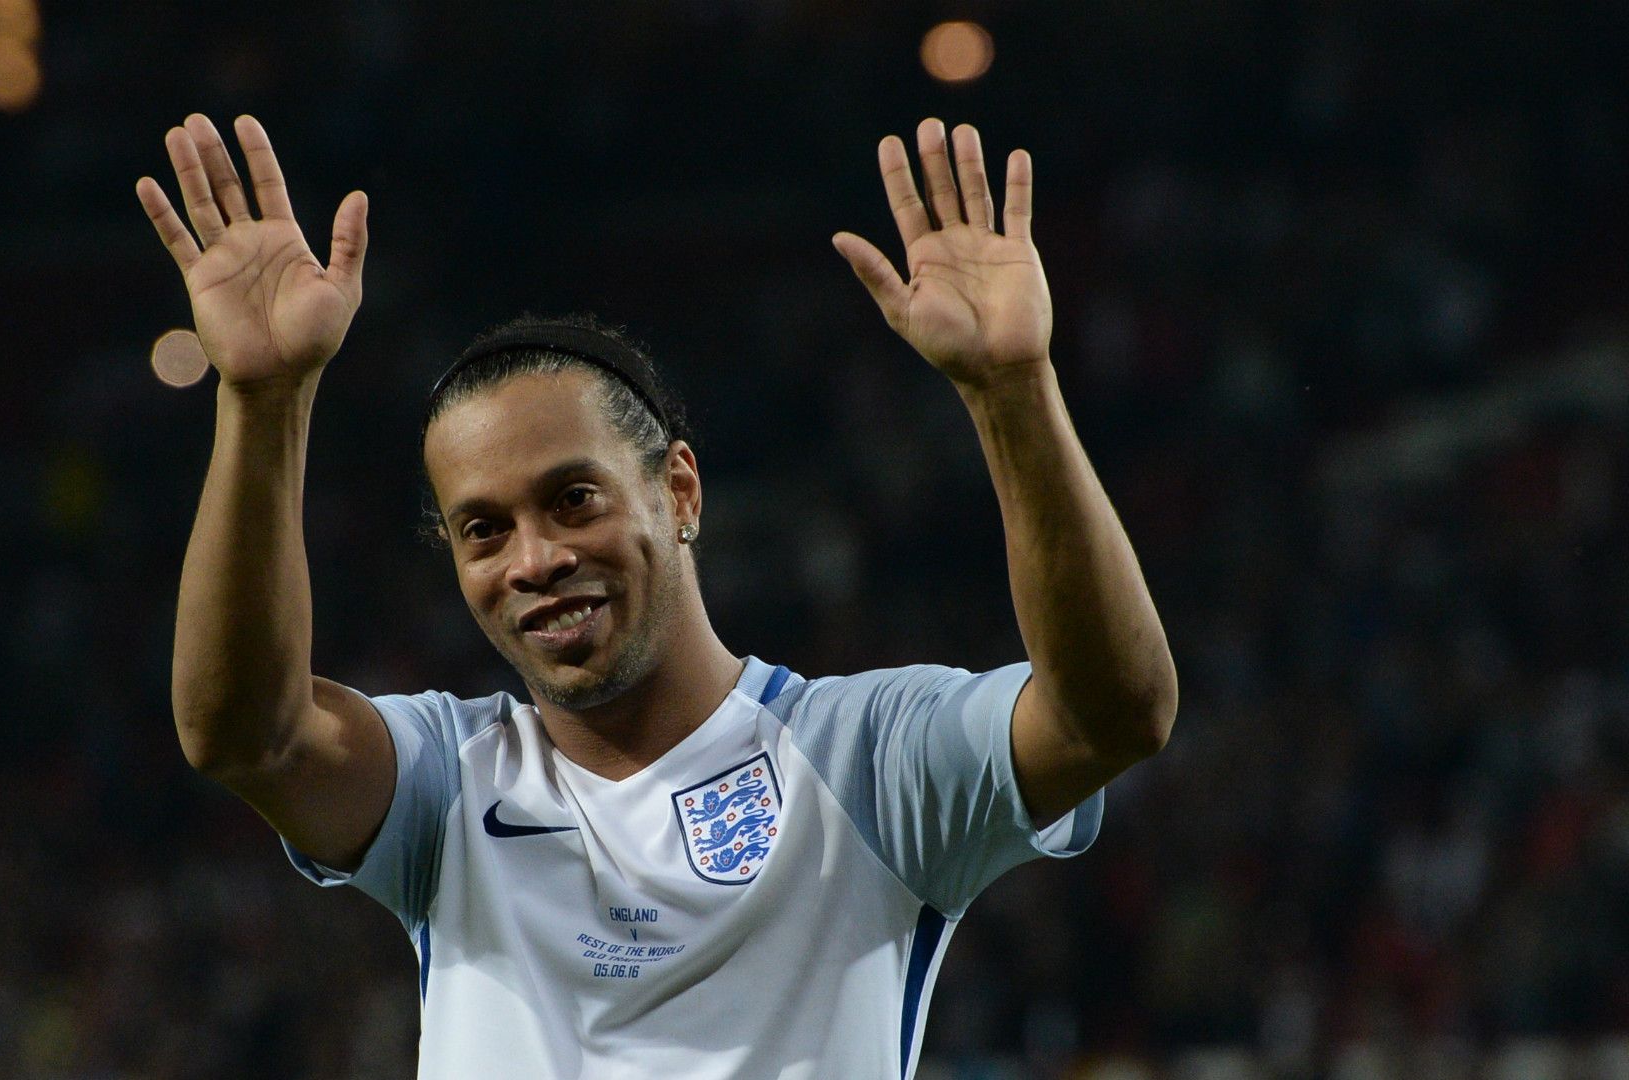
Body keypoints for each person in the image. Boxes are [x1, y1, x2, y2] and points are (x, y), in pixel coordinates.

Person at [137, 112, 1177, 1079]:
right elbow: (245, 736)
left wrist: (1014, 395)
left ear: (678, 487)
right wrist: (262, 400)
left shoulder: (869, 757)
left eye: (573, 499)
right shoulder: (442, 785)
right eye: (483, 530)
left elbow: (1113, 712)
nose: (534, 558)